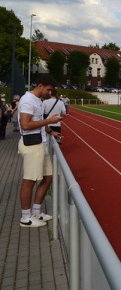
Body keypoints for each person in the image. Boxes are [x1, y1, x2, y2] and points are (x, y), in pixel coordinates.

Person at [18, 75, 63, 228]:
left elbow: (38, 121)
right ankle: (25, 217)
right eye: (49, 90)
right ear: (40, 86)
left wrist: (51, 131)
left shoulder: (38, 101)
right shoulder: (28, 100)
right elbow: (25, 124)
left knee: (48, 177)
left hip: (40, 143)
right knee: (29, 180)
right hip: (32, 145)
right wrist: (49, 121)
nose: (50, 93)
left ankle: (36, 212)